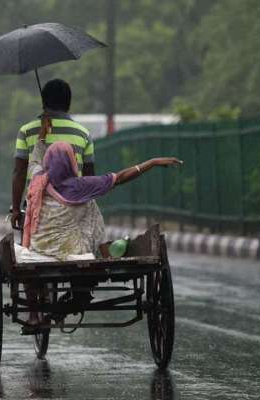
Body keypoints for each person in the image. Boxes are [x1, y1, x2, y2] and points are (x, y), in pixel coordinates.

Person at [22, 141, 181, 318]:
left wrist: (41, 139)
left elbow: (34, 163)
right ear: (70, 162)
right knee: (89, 202)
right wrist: (151, 162)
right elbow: (120, 178)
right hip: (73, 250)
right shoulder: (82, 185)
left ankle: (34, 315)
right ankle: (80, 293)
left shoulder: (37, 180)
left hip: (40, 248)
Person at [11, 79, 95, 229]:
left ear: (43, 102)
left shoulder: (26, 131)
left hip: (37, 209)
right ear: (68, 103)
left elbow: (20, 172)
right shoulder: (83, 134)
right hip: (73, 207)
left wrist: (16, 209)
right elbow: (89, 177)